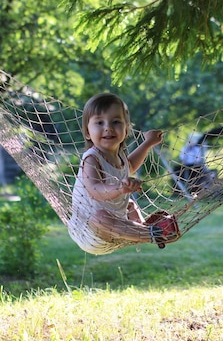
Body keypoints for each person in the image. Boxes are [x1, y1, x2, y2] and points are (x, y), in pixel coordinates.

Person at [69, 93, 179, 255]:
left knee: (131, 205)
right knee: (100, 217)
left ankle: (142, 229)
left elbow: (131, 165)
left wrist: (147, 143)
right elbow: (95, 190)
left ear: (126, 130)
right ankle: (151, 234)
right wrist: (120, 188)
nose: (108, 127)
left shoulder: (118, 155)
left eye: (116, 122)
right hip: (89, 231)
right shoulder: (91, 159)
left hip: (116, 225)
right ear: (87, 132)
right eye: (99, 122)